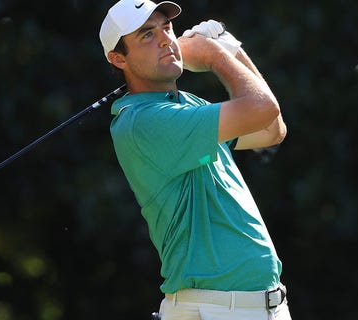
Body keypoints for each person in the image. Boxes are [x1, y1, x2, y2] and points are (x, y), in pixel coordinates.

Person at [99, 1, 290, 319]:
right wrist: (214, 56)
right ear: (119, 58)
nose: (164, 39)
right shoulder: (143, 121)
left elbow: (272, 129)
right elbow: (262, 109)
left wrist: (232, 51)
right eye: (147, 35)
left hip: (254, 308)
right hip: (212, 309)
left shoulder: (184, 106)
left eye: (166, 28)